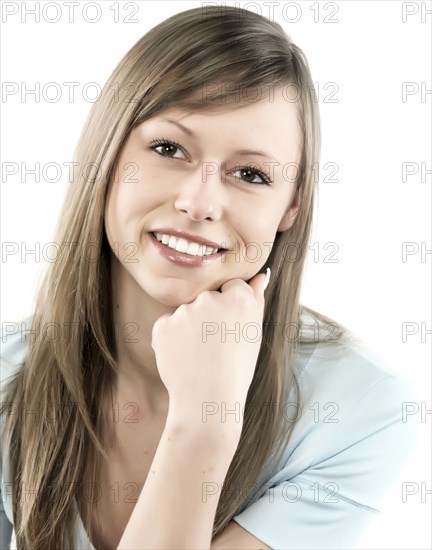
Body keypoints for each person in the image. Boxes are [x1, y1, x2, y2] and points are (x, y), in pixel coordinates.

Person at [0, 5, 420, 550]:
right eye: (169, 148)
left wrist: (205, 422)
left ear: (290, 208)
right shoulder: (11, 381)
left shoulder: (361, 407)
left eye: (250, 174)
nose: (199, 202)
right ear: (105, 156)